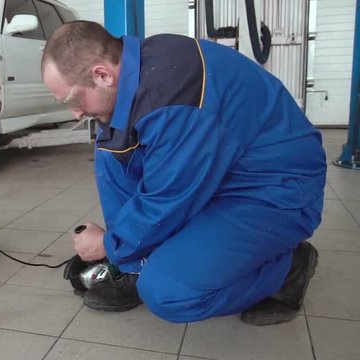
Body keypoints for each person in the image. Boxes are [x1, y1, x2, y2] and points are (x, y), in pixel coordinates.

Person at [41, 21, 326, 326]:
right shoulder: (139, 70)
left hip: (275, 190)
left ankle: (288, 268)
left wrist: (109, 244)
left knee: (168, 293)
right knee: (112, 149)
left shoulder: (175, 100)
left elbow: (168, 199)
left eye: (71, 100)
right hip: (224, 173)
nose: (75, 113)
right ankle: (134, 265)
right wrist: (124, 250)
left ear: (102, 74)